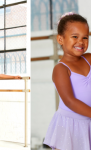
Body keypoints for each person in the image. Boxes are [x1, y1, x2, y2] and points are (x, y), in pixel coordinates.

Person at [43, 12, 91, 150]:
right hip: (70, 125)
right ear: (60, 39)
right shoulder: (60, 69)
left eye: (85, 37)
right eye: (75, 36)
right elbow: (70, 101)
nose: (81, 42)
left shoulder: (89, 59)